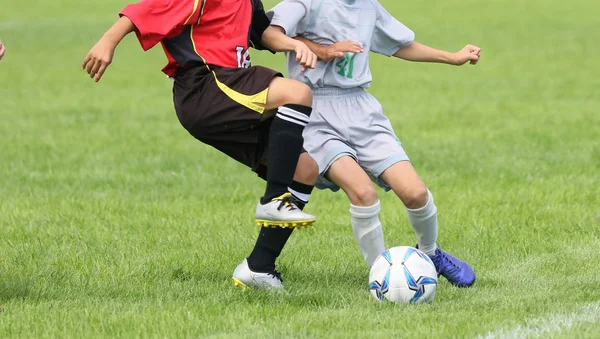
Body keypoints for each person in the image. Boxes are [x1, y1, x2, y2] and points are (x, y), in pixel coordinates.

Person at [82, 0, 322, 290]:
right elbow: (147, 9)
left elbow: (260, 33)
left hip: (225, 91)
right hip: (207, 84)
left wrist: (295, 45)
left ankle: (259, 267)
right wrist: (108, 41)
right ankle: (274, 201)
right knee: (297, 93)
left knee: (304, 169)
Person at [268, 0, 480, 287]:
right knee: (364, 193)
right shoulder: (306, 3)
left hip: (361, 109)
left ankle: (430, 255)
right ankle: (382, 275)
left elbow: (398, 44)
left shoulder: (368, 6)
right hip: (315, 110)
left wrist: (451, 57)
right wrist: (316, 49)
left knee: (416, 193)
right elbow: (267, 33)